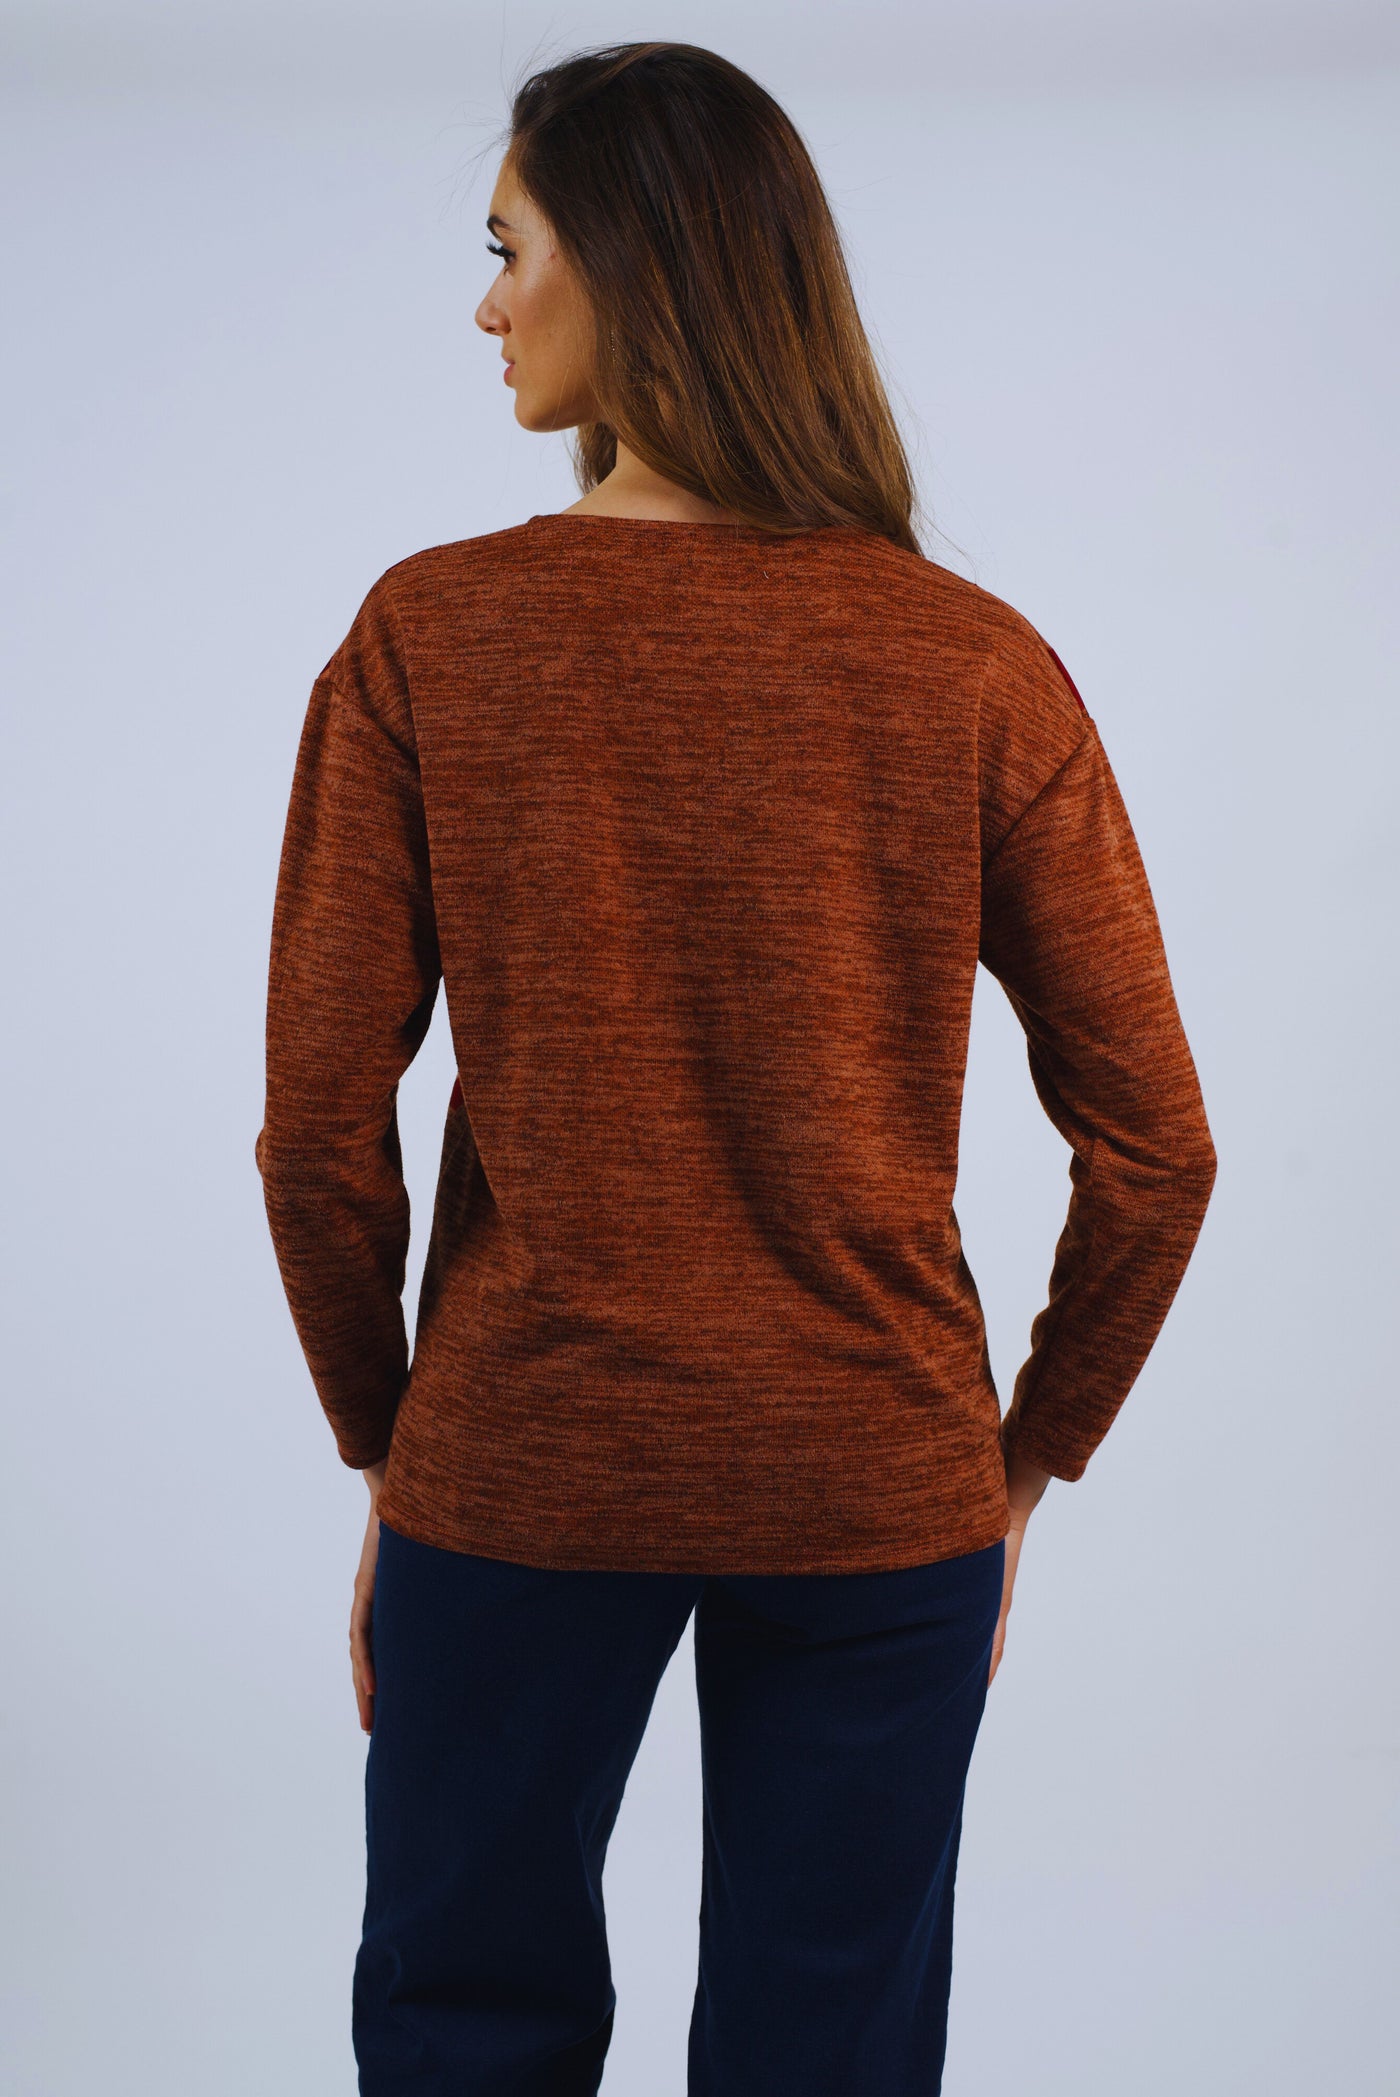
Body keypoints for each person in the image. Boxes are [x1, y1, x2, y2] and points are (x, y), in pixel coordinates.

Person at [254, 39, 1217, 2097]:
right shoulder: (973, 663)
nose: (486, 306)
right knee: (827, 2055)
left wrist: (393, 1449)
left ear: (625, 260)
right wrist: (1019, 1464)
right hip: (878, 1479)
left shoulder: (430, 638)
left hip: (522, 1463)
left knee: (463, 2032)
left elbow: (319, 1133)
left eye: (507, 250)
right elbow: (1161, 1145)